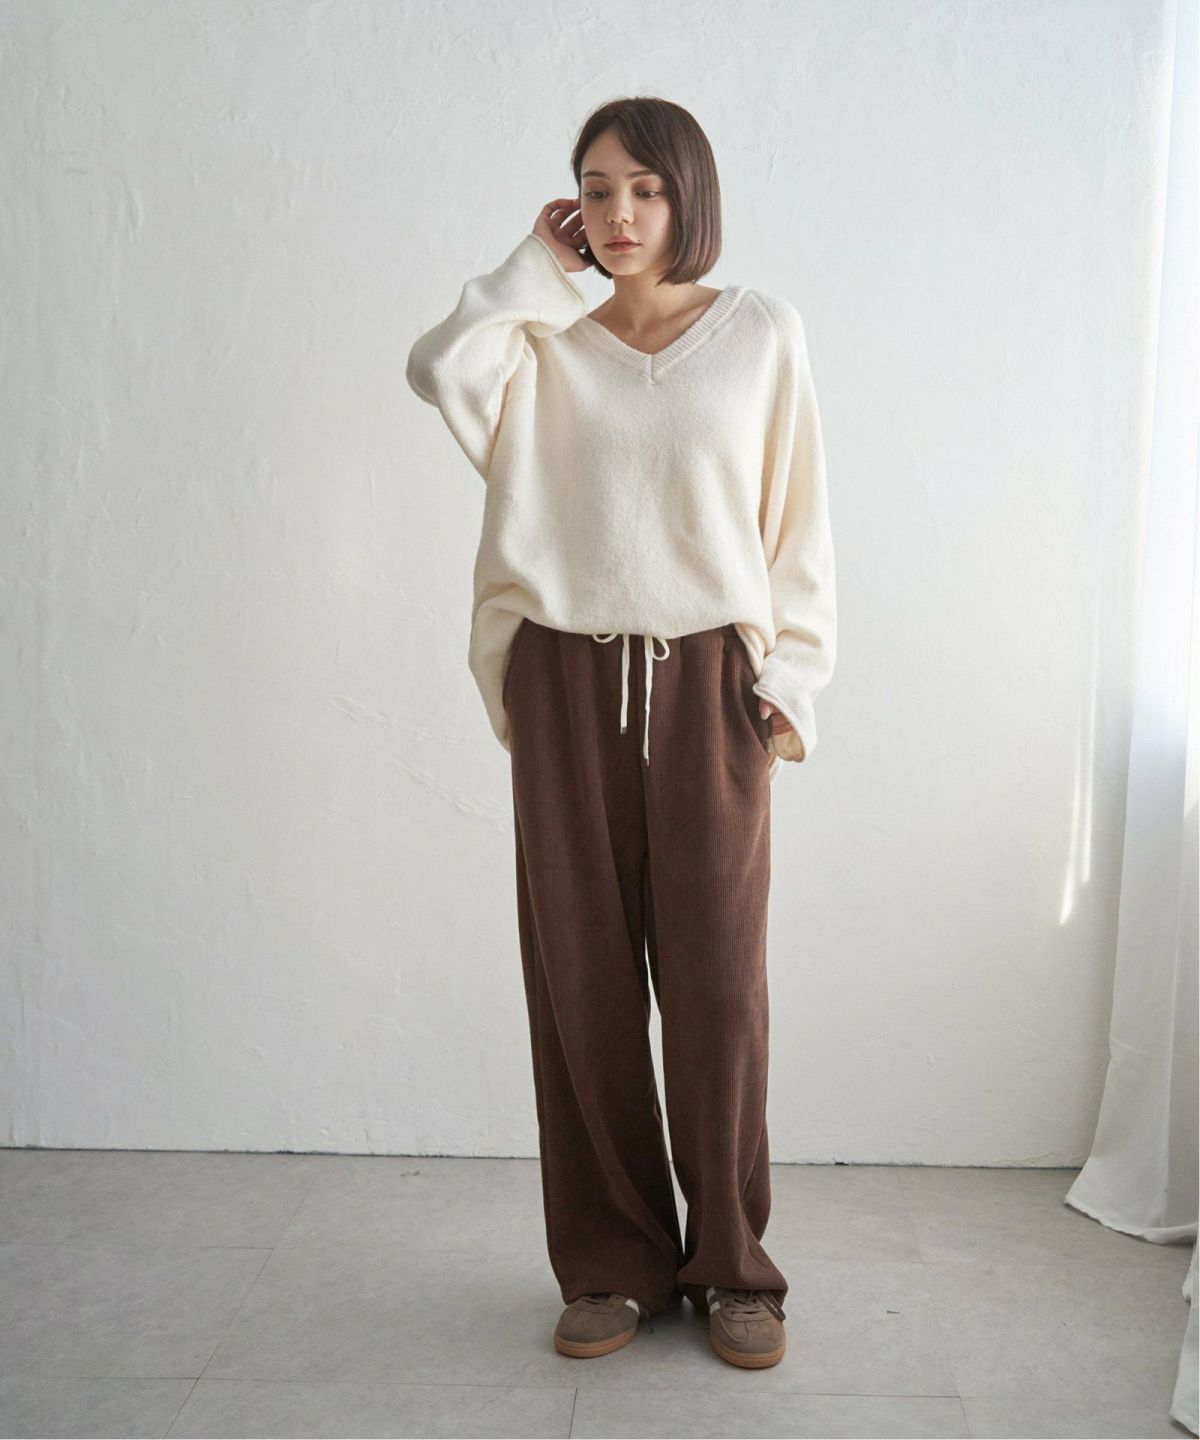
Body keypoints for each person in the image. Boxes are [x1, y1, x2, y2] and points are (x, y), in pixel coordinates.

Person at [405, 95, 836, 1371]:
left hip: (711, 685)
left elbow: (798, 522)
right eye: (595, 190)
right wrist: (533, 272)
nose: (620, 213)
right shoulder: (542, 344)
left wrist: (790, 680)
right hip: (565, 678)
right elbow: (441, 369)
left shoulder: (761, 334)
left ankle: (735, 1270)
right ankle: (610, 1263)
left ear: (688, 192)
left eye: (644, 188)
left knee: (719, 991)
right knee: (581, 983)